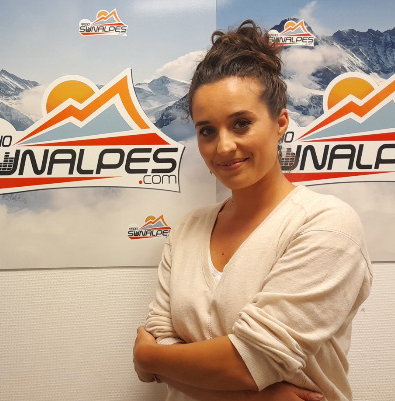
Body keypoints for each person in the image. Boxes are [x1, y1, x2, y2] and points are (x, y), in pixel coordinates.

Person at [133, 20, 372, 401]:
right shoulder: (189, 228)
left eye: (241, 124)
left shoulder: (327, 224)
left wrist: (151, 359)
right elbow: (162, 336)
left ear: (280, 124)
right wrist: (259, 396)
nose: (223, 147)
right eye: (207, 130)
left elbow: (246, 364)